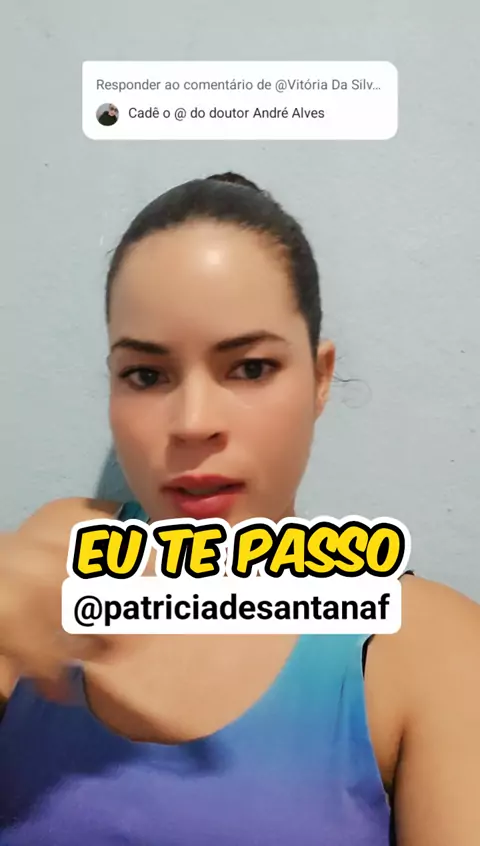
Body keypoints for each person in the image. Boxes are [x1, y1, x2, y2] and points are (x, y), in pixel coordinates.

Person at [0, 172, 478, 845]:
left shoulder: (425, 650)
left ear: (319, 379)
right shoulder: (53, 562)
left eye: (250, 367)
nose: (193, 423)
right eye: (146, 375)